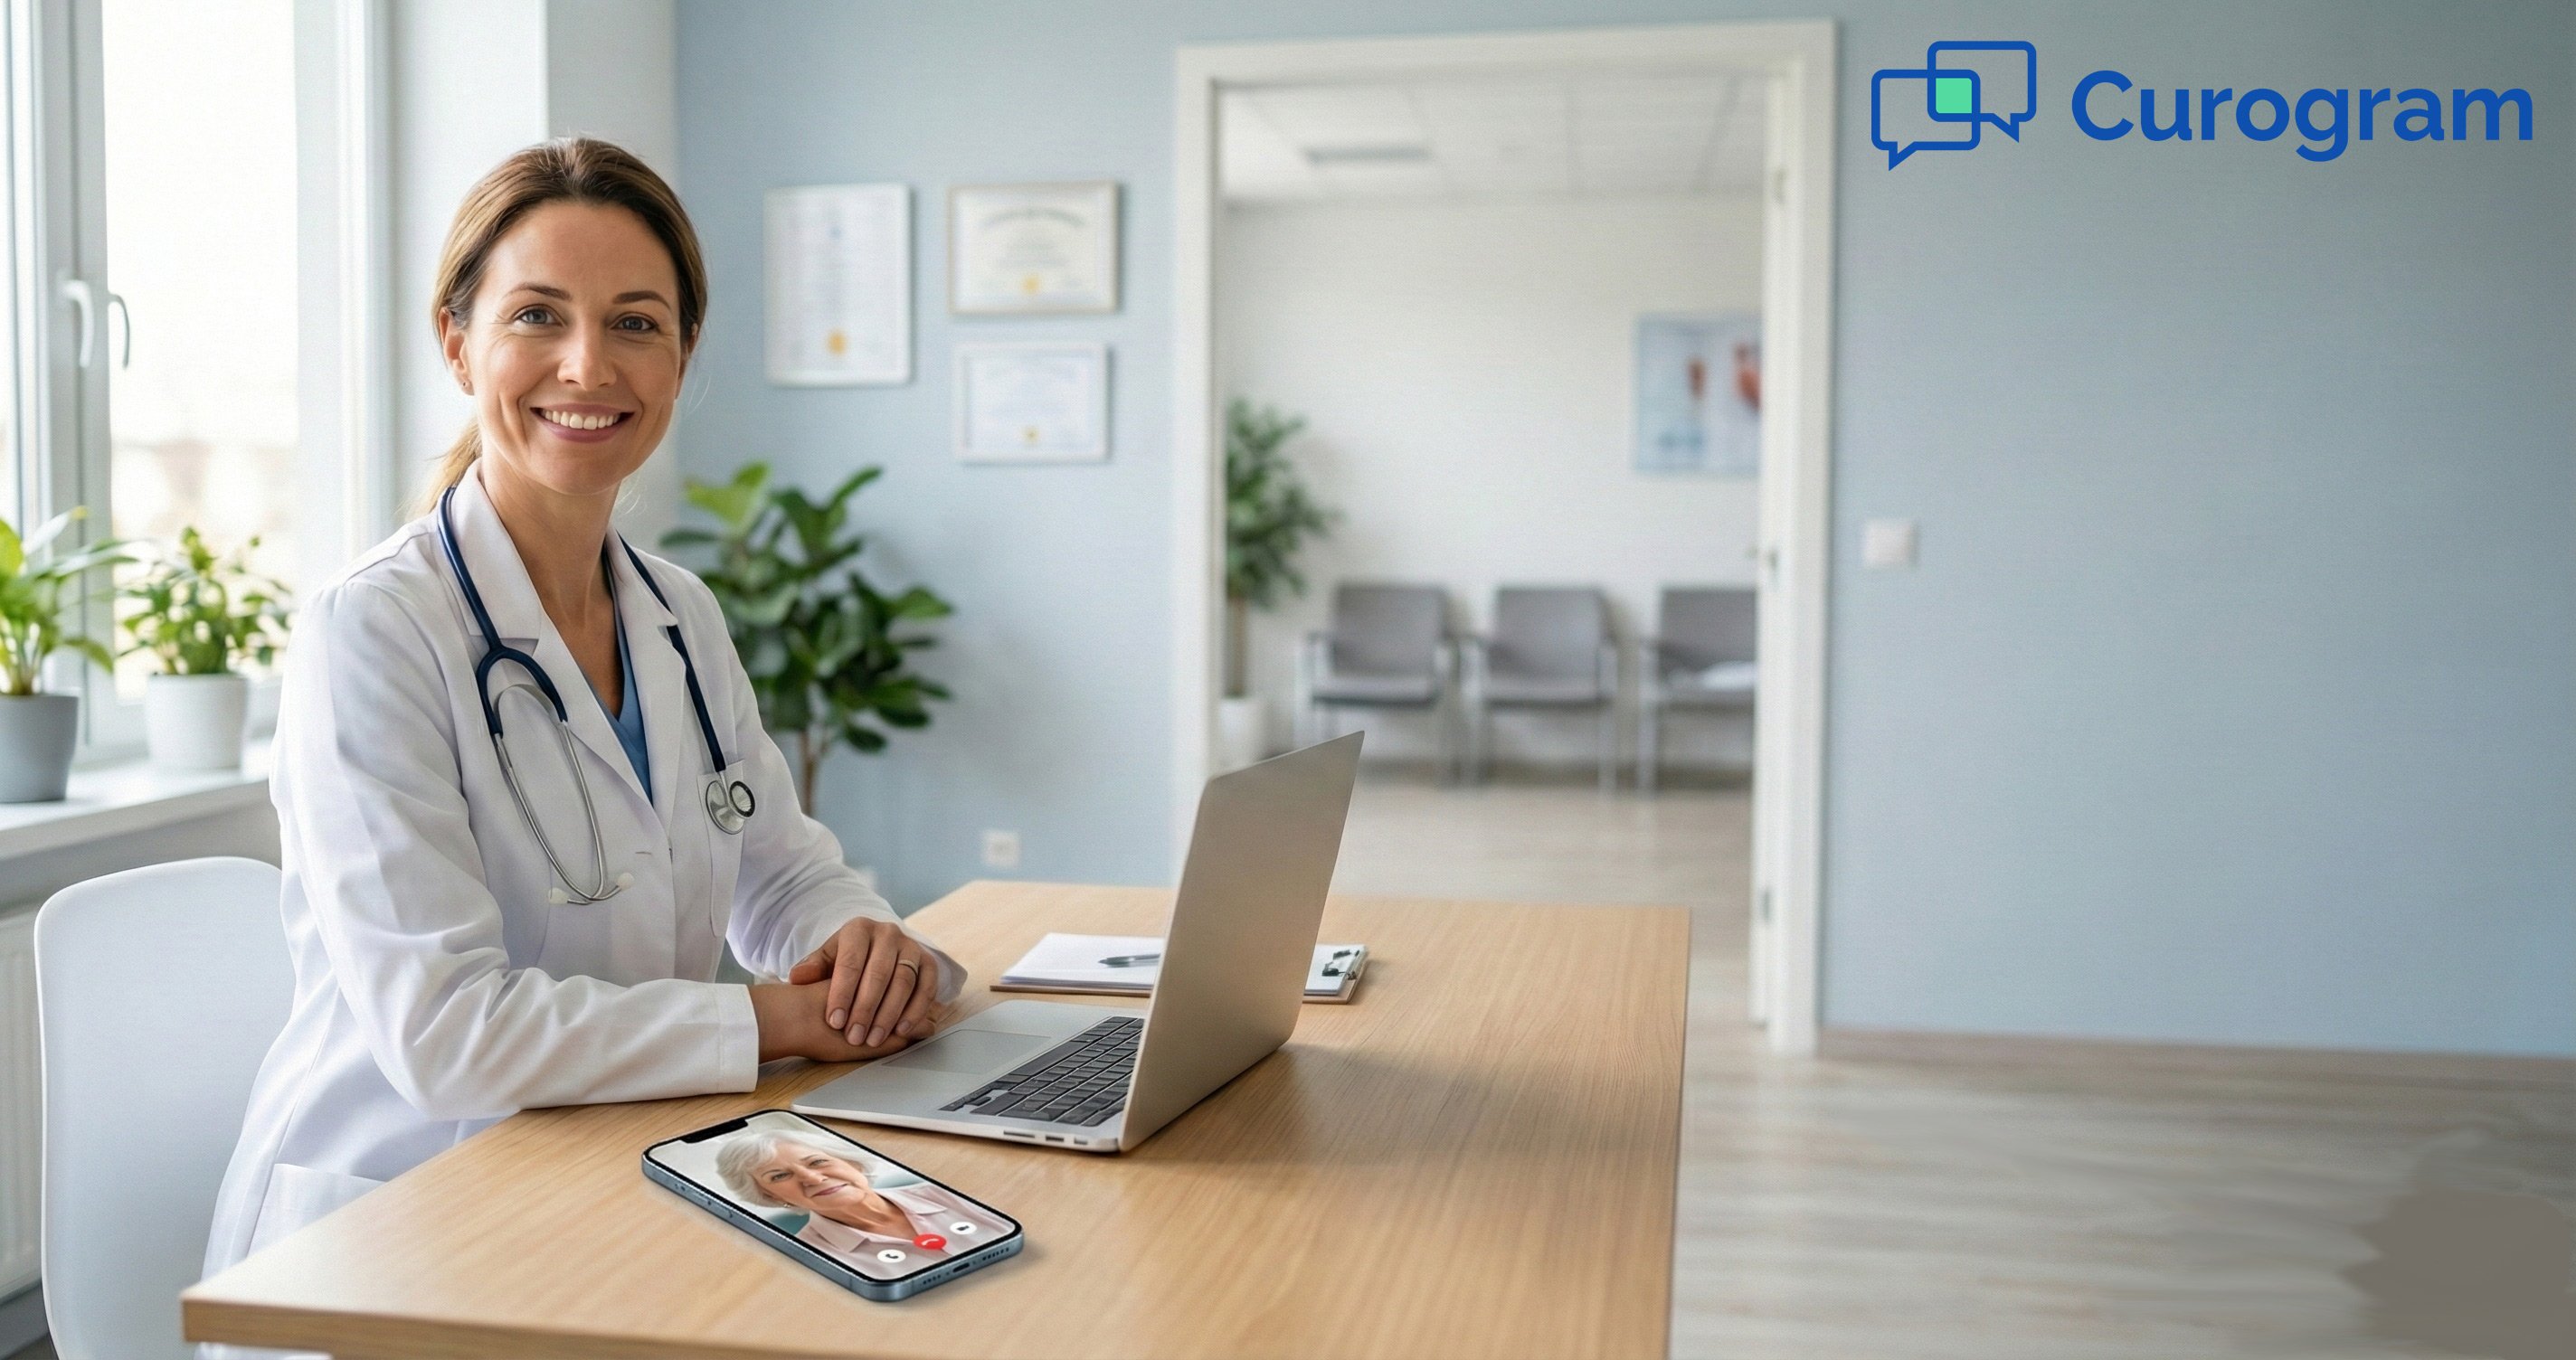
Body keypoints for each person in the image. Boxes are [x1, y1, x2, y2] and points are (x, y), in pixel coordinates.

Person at [202, 137, 961, 1289]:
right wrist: (774, 1023)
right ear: (457, 341)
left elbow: (782, 871)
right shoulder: (374, 630)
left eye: (636, 323)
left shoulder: (679, 613)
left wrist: (854, 946)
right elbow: (448, 1036)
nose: (587, 364)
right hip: (397, 1221)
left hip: (609, 1162)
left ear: (683, 355)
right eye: (537, 317)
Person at [711, 1128, 1013, 1270]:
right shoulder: (809, 1258)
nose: (813, 1179)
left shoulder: (943, 1191)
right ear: (769, 1195)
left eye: (816, 1162)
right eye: (779, 1176)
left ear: (850, 1162)